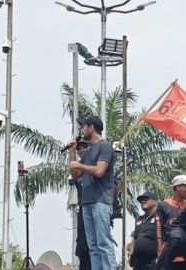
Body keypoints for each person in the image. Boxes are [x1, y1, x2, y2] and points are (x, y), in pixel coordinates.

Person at [69, 115, 117, 270]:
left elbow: (99, 171)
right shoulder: (89, 151)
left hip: (101, 201)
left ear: (91, 128)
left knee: (103, 243)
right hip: (87, 203)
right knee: (93, 246)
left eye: (84, 126)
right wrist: (72, 152)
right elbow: (75, 174)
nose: (82, 130)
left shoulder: (105, 147)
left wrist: (79, 165)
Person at [156, 175, 186, 269]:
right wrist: (160, 247)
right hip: (170, 246)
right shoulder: (163, 205)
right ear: (178, 187)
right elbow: (159, 227)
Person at [72, 136, 92, 270]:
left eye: (85, 147)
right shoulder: (80, 170)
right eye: (79, 148)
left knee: (94, 247)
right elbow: (74, 173)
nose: (82, 150)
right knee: (82, 248)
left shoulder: (95, 165)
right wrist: (72, 150)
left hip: (95, 209)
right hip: (83, 210)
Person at [130, 192, 159, 270]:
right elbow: (135, 238)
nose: (143, 202)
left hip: (152, 261)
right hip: (138, 262)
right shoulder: (139, 220)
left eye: (146, 199)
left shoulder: (159, 217)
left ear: (155, 202)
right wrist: (131, 254)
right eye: (141, 201)